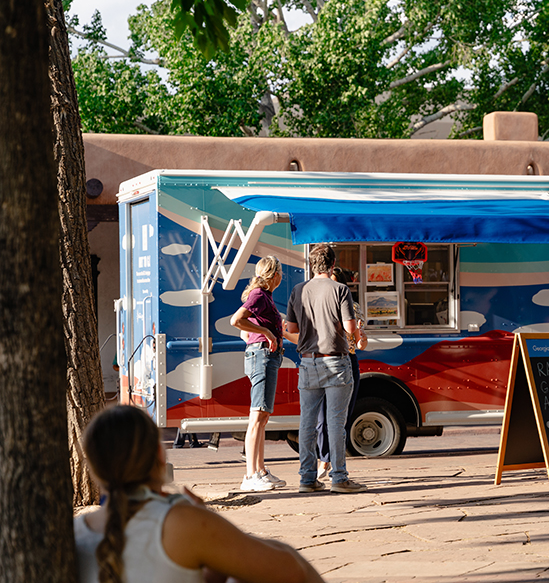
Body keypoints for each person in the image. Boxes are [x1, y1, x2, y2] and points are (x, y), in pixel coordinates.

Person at [74, 405, 324, 583]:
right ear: (161, 457)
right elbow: (291, 571)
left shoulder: (74, 532)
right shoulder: (182, 523)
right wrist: (206, 521)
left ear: (94, 468)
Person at [285, 244, 367, 493]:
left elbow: (291, 329)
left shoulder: (298, 290)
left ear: (312, 265)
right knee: (335, 422)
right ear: (332, 265)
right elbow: (350, 328)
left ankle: (307, 479)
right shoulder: (340, 289)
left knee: (307, 423)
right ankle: (339, 478)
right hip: (336, 360)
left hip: (308, 361)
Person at [230, 254, 290, 491]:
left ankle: (260, 471)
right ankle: (250, 476)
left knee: (262, 416)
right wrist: (267, 332)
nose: (281, 277)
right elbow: (237, 321)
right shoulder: (258, 295)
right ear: (274, 275)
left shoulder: (263, 296)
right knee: (257, 416)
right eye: (280, 273)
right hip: (262, 356)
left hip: (265, 356)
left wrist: (261, 332)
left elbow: (243, 330)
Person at [314, 266, 366, 480]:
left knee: (341, 416)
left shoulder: (353, 307)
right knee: (320, 417)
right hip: (324, 360)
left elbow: (361, 344)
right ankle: (324, 459)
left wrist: (360, 335)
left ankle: (334, 463)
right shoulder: (320, 304)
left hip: (347, 361)